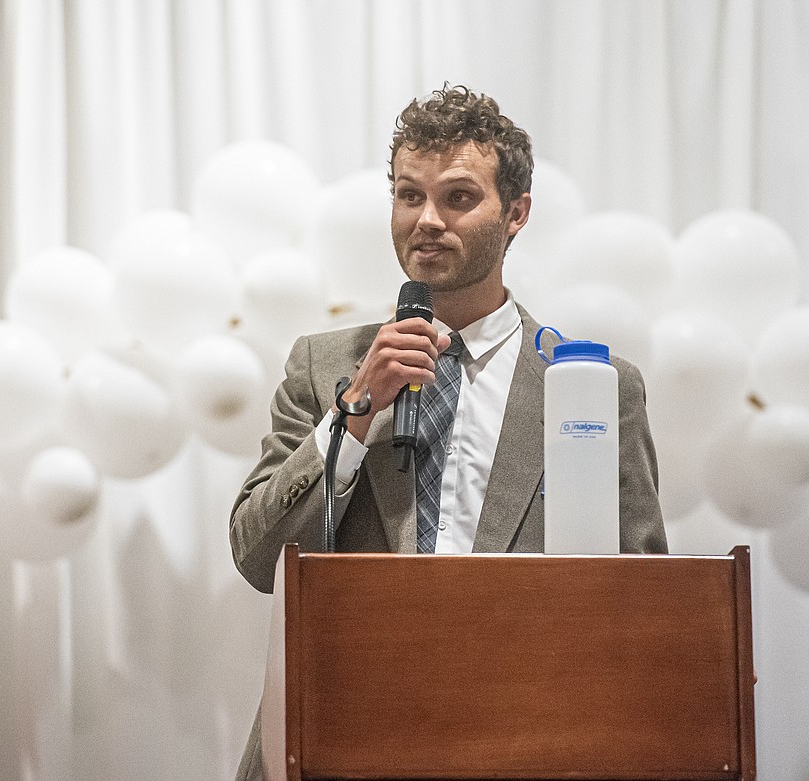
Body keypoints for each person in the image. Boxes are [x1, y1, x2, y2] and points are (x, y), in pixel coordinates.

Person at [229, 84, 667, 781]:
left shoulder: (590, 386)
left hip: (523, 744)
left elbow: (642, 606)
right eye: (408, 195)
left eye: (458, 197)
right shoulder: (326, 368)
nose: (426, 219)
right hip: (338, 741)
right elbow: (256, 557)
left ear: (516, 212)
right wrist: (356, 411)